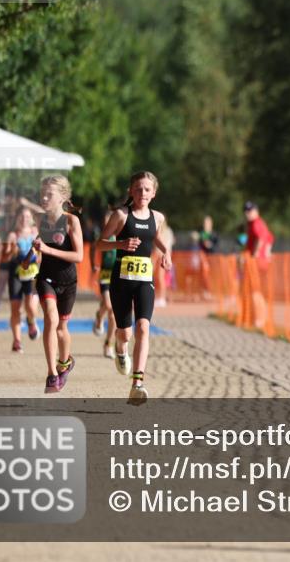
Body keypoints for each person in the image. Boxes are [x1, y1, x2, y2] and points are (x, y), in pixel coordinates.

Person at [95, 171, 172, 405]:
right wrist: (121, 243)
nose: (142, 193)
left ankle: (137, 384)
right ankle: (120, 348)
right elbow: (99, 244)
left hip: (144, 280)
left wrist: (166, 252)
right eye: (138, 189)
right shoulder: (121, 215)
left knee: (143, 327)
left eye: (147, 189)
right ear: (131, 191)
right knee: (126, 332)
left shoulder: (157, 217)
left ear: (154, 193)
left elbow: (155, 236)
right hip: (121, 279)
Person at [34, 175, 84, 394]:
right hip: (46, 278)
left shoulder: (72, 221)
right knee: (50, 319)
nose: (44, 198)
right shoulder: (40, 219)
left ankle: (65, 363)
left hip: (68, 281)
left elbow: (79, 256)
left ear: (63, 197)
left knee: (62, 328)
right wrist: (31, 256)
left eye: (49, 194)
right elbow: (38, 244)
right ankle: (52, 373)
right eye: (42, 193)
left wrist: (48, 250)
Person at [1, 207, 40, 352]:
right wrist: (12, 251)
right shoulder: (12, 235)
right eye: (22, 216)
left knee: (31, 306)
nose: (24, 219)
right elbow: (4, 258)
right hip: (16, 274)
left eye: (27, 216)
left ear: (31, 219)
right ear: (17, 218)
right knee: (15, 309)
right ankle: (17, 341)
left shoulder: (36, 232)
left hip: (33, 273)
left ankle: (31, 321)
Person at [91, 207, 118, 358]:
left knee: (113, 313)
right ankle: (99, 316)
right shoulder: (102, 236)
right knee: (108, 306)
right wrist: (93, 264)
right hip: (105, 274)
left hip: (118, 275)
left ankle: (109, 344)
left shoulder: (121, 234)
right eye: (106, 220)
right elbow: (93, 249)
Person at [244, 201, 274, 329]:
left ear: (256, 211)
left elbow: (261, 238)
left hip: (257, 262)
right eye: (246, 211)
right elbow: (270, 238)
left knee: (255, 291)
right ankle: (259, 317)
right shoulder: (258, 223)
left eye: (250, 210)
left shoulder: (256, 223)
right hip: (261, 261)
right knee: (256, 290)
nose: (247, 213)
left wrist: (255, 254)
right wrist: (268, 251)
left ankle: (259, 319)